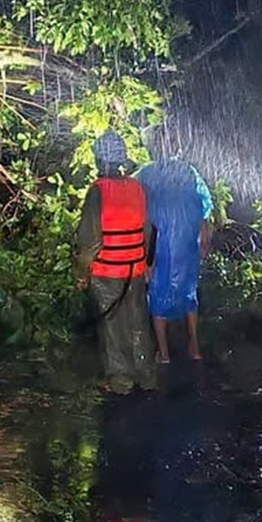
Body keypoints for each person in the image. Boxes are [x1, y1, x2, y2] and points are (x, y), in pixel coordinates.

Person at [73, 131, 157, 394]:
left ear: (100, 161)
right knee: (138, 321)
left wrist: (81, 273)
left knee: (112, 326)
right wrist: (146, 263)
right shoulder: (136, 187)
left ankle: (121, 380)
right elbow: (147, 229)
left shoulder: (98, 192)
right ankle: (146, 375)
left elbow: (89, 241)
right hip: (135, 268)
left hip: (109, 270)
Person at [134, 157, 213, 363]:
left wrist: (145, 259)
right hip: (187, 244)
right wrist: (204, 240)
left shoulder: (148, 173)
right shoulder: (187, 170)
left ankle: (164, 353)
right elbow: (203, 208)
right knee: (189, 293)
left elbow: (144, 221)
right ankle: (195, 348)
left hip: (164, 245)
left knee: (159, 296)